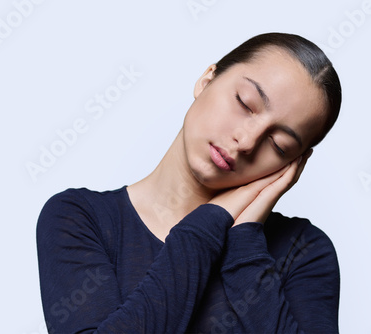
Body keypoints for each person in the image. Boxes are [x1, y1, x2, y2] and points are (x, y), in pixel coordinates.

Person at [37, 32, 342, 334]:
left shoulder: (304, 252)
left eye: (279, 145)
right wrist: (211, 219)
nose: (246, 141)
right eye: (245, 103)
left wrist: (245, 243)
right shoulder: (77, 217)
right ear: (207, 79)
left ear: (293, 164)